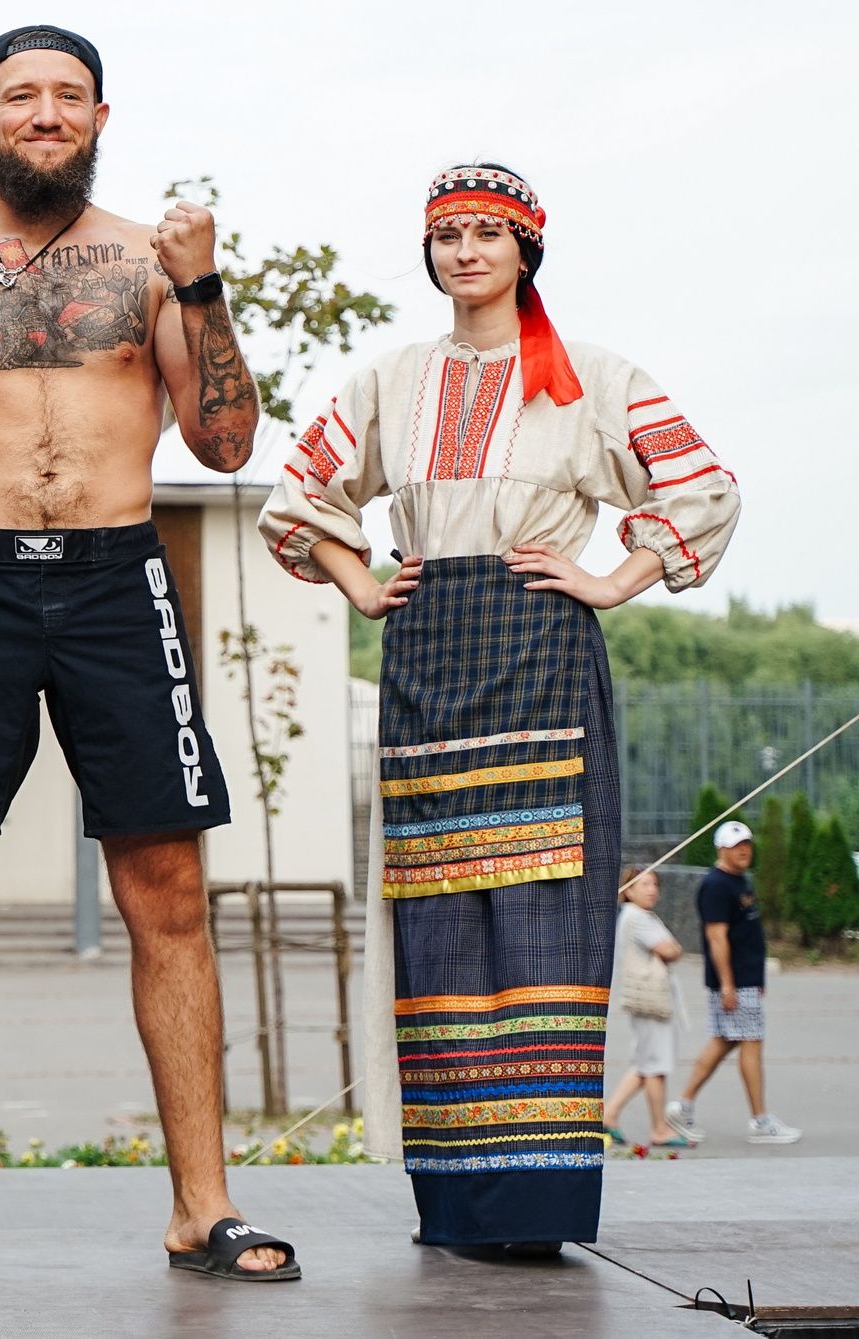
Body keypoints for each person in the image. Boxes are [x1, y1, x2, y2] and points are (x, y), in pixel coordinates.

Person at [0, 26, 293, 1280]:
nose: (44, 114)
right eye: (19, 96)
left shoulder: (151, 260)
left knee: (169, 897)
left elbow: (227, 443)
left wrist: (203, 288)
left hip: (114, 578)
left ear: (100, 117)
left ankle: (202, 1207)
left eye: (66, 97)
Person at [259, 162, 743, 1251]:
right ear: (429, 250)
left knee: (545, 915)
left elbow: (701, 486)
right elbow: (299, 500)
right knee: (436, 923)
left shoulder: (590, 376)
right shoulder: (389, 378)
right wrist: (363, 584)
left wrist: (613, 579)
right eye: (448, 234)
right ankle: (456, 1203)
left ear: (526, 249)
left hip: (540, 654)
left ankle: (534, 1203)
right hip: (427, 650)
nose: (465, 251)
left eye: (489, 233)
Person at [670, 821, 802, 1145]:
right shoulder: (716, 884)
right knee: (752, 1042)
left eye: (747, 844)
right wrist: (729, 985)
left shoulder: (739, 880)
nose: (743, 850)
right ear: (721, 849)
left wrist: (756, 978)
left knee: (725, 1040)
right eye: (735, 845)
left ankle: (682, 1106)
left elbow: (747, 934)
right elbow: (717, 938)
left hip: (745, 979)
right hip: (733, 982)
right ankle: (760, 1121)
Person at [604, 868, 691, 1150]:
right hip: (651, 1000)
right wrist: (672, 948)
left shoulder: (629, 916)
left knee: (644, 1062)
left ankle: (610, 1114)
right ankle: (659, 1129)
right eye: (644, 884)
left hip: (642, 999)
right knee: (656, 1064)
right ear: (628, 890)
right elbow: (670, 950)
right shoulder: (638, 917)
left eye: (655, 884)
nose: (652, 889)